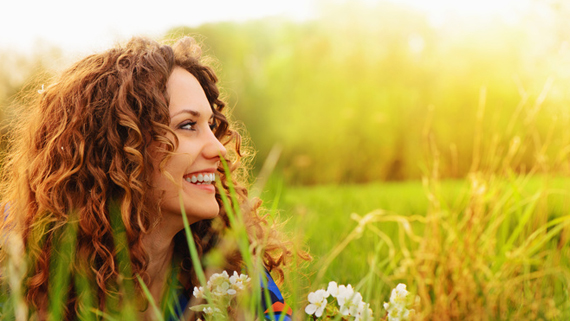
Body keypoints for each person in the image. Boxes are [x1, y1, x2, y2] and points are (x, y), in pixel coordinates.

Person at [0, 37, 302, 320]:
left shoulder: (234, 274)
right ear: (118, 147)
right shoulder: (21, 265)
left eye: (211, 125)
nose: (219, 149)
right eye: (187, 125)